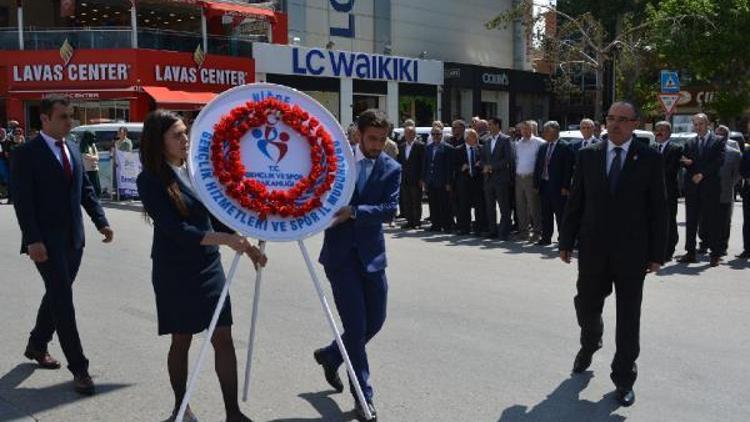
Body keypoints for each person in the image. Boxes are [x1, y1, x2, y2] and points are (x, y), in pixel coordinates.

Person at [136, 110, 266, 422]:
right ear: (159, 141)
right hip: (174, 269)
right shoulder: (150, 179)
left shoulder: (198, 171)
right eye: (177, 135)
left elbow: (219, 214)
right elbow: (175, 230)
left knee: (223, 336)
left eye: (185, 133)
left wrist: (245, 244)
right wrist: (225, 239)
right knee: (181, 340)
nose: (185, 140)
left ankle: (233, 413)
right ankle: (181, 408)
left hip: (209, 266)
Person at [559, 101, 666, 407]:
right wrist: (566, 239)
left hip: (633, 253)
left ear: (635, 124)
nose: (615, 124)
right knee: (585, 304)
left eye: (622, 119)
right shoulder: (588, 155)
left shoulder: (649, 158)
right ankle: (591, 341)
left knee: (629, 318)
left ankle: (623, 378)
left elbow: (659, 207)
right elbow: (576, 200)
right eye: (610, 118)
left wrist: (658, 252)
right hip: (593, 249)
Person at [10, 96, 114, 395]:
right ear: (44, 119)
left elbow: (86, 190)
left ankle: (37, 344)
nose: (70, 122)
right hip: (45, 242)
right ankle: (80, 369)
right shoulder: (26, 154)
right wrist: (33, 240)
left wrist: (101, 221)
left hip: (74, 240)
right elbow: (24, 204)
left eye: (71, 116)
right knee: (63, 301)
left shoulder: (72, 148)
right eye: (63, 117)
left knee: (56, 294)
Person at [315, 108, 401, 421]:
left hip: (372, 257)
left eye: (382, 139)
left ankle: (331, 354)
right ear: (357, 135)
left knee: (375, 322)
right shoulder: (338, 163)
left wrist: (355, 211)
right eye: (372, 139)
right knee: (355, 327)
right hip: (340, 258)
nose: (377, 145)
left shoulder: (391, 168)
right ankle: (364, 398)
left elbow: (390, 210)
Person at [677, 113, 724, 266]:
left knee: (712, 221)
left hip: (710, 187)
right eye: (695, 124)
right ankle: (690, 252)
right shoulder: (690, 143)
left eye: (701, 124)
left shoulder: (718, 141)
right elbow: (686, 161)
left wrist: (701, 174)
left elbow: (718, 161)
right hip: (693, 187)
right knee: (691, 221)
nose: (698, 127)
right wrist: (688, 164)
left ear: (708, 124)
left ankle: (715, 254)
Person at [533, 121, 573, 246]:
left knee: (560, 215)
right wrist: (536, 184)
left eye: (546, 131)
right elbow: (538, 166)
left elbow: (568, 168)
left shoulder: (565, 146)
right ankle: (546, 238)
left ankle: (563, 239)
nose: (543, 134)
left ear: (554, 131)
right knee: (546, 214)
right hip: (544, 185)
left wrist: (565, 186)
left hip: (558, 187)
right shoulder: (543, 147)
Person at [652, 121, 683, 261]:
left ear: (669, 132)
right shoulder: (651, 147)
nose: (659, 132)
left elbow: (670, 170)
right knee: (654, 220)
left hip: (668, 192)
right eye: (657, 129)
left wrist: (651, 173)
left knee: (669, 221)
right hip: (652, 192)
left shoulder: (675, 148)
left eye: (662, 130)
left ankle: (669, 250)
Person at [481, 116, 513, 239]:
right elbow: (483, 158)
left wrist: (492, 167)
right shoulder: (487, 140)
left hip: (501, 179)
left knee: (504, 207)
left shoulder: (506, 140)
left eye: (490, 124)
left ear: (497, 125)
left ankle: (504, 232)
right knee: (490, 207)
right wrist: (485, 166)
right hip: (488, 179)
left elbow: (508, 158)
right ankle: (492, 230)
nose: (488, 127)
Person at [513, 120, 545, 241]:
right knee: (521, 206)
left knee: (534, 206)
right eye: (523, 129)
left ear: (532, 129)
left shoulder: (539, 143)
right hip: (519, 177)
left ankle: (537, 232)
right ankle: (523, 232)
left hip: (531, 177)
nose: (525, 131)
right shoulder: (518, 143)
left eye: (527, 129)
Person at [422, 121, 455, 232]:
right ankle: (435, 224)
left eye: (438, 134)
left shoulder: (447, 148)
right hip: (431, 180)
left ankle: (447, 225)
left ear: (442, 135)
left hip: (443, 181)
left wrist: (448, 182)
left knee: (444, 204)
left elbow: (449, 167)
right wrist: (425, 180)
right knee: (433, 204)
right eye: (434, 134)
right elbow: (425, 165)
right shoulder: (428, 148)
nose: (436, 136)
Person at [453, 128, 486, 235]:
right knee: (464, 205)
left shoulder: (481, 149)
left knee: (479, 206)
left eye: (476, 136)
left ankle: (479, 228)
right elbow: (454, 166)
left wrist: (481, 165)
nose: (476, 139)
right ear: (467, 138)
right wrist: (460, 168)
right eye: (473, 136)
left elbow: (485, 161)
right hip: (464, 181)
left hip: (477, 181)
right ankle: (464, 227)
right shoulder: (458, 149)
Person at [397, 122, 425, 229]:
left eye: (410, 133)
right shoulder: (402, 146)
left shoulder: (420, 146)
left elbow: (423, 163)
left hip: (416, 178)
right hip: (405, 178)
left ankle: (417, 221)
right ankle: (409, 221)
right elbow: (400, 162)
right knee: (407, 201)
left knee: (416, 201)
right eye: (406, 133)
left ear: (414, 134)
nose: (408, 135)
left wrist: (422, 178)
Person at [79, 131, 101, 197]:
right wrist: (94, 157)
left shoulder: (93, 145)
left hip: (94, 167)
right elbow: (85, 155)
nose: (93, 139)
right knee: (88, 185)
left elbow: (97, 156)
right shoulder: (83, 145)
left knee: (97, 185)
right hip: (87, 168)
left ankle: (97, 196)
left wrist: (93, 157)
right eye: (92, 137)